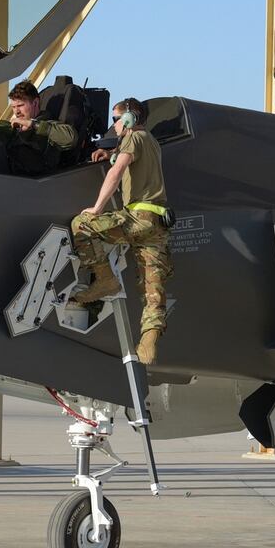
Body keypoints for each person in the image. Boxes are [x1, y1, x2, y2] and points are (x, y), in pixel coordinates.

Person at [71, 98, 173, 365]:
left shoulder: (132, 138)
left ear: (129, 118)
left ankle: (105, 279)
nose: (113, 125)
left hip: (136, 218)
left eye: (116, 119)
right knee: (153, 289)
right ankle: (149, 341)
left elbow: (117, 172)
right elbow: (131, 163)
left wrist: (96, 207)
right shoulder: (150, 141)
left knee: (81, 225)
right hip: (158, 224)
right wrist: (110, 154)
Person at [1, 81, 79, 175]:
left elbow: (71, 138)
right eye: (13, 107)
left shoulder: (48, 125)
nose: (16, 111)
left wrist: (33, 124)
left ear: (35, 102)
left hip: (37, 181)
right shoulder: (14, 129)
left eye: (20, 105)